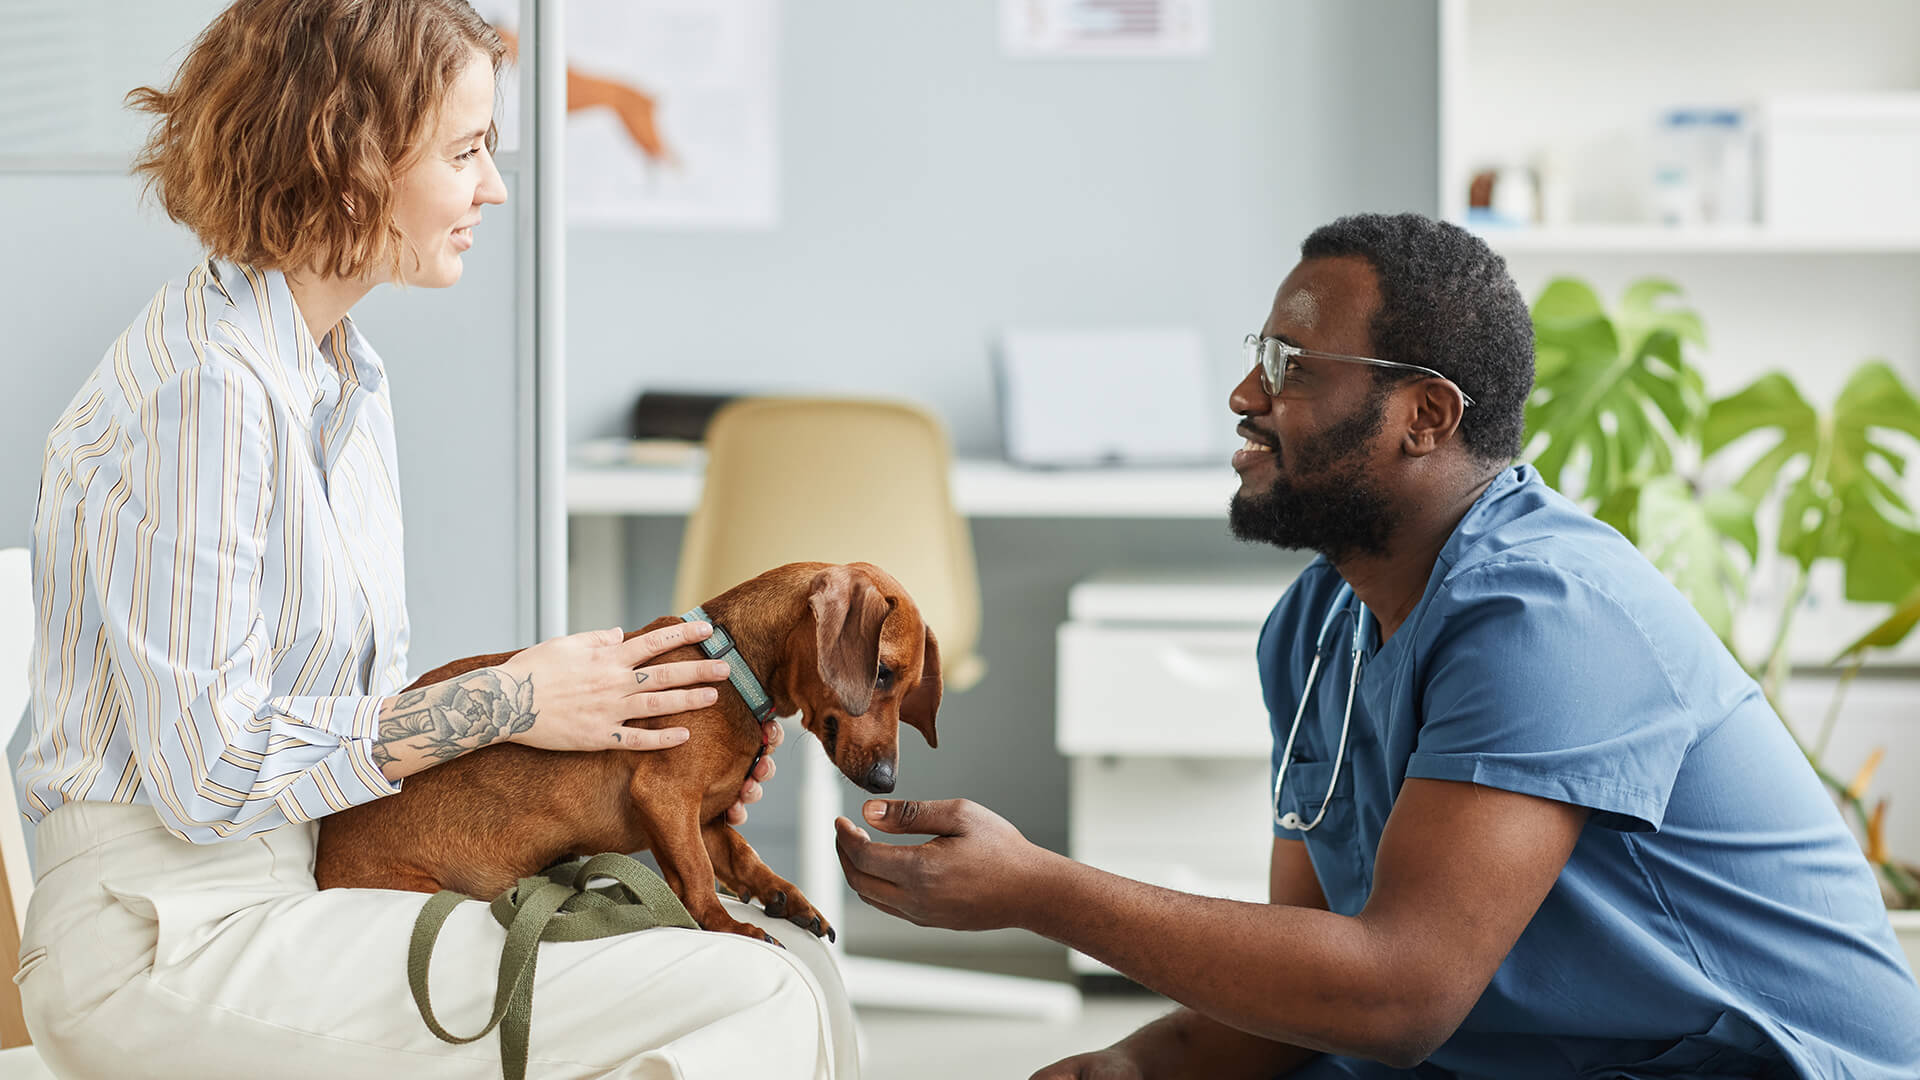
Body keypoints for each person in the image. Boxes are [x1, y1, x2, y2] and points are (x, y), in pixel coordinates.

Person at [834, 212, 1920, 1079]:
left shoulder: (1552, 618)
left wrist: (1040, 891)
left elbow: (1396, 994)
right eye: (1261, 355)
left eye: (1294, 365)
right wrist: (1133, 1064)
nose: (1245, 396)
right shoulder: (1317, 626)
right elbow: (1305, 989)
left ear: (1427, 416)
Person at [14, 2, 854, 1076]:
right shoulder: (204, 392)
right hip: (167, 940)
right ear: (349, 157)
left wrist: (633, 766)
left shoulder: (343, 380)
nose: (492, 188)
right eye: (465, 151)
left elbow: (326, 736)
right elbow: (209, 773)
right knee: (744, 993)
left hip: (298, 892)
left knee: (792, 962)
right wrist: (517, 699)